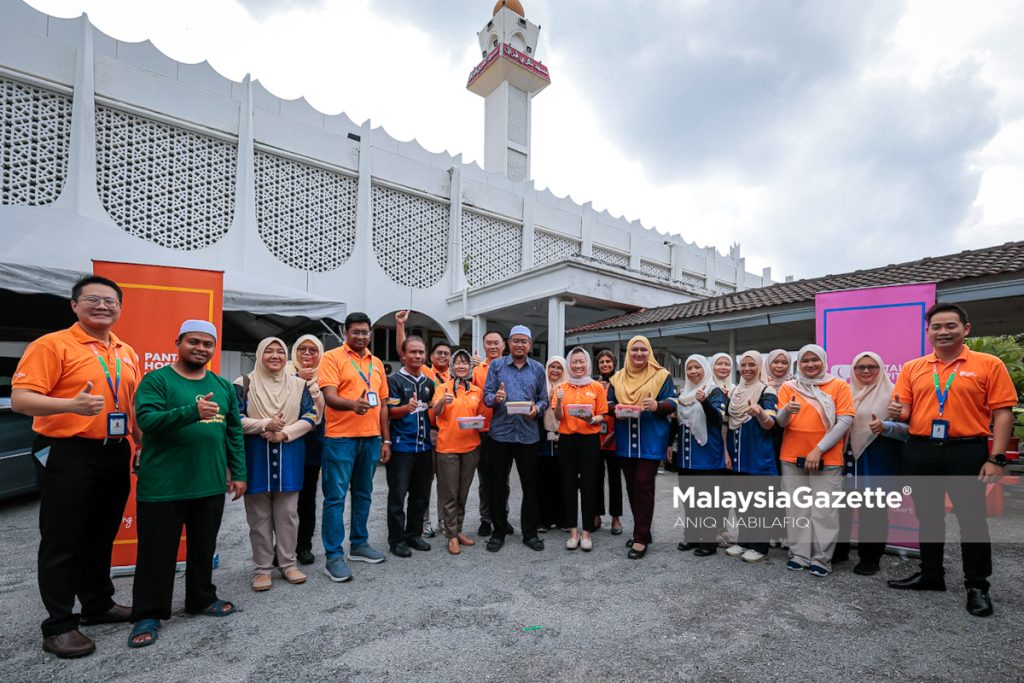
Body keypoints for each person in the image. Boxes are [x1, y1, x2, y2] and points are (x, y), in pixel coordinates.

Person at [11, 275, 142, 658]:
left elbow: (130, 405)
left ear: (120, 307)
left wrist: (140, 444)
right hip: (66, 450)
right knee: (62, 539)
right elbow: (21, 399)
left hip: (113, 450)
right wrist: (70, 405)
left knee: (101, 535)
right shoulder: (52, 345)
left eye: (110, 301)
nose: (102, 306)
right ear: (74, 305)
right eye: (93, 300)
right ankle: (59, 625)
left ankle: (98, 604)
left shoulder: (125, 351)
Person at [887, 303, 1016, 617]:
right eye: (936, 327)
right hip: (920, 449)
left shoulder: (988, 363)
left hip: (966, 450)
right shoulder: (913, 367)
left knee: (972, 520)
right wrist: (896, 412)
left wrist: (997, 457)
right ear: (928, 331)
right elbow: (905, 410)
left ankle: (977, 586)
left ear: (965, 329)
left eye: (950, 326)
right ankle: (931, 575)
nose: (943, 332)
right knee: (928, 516)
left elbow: (1002, 413)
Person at [128, 320, 246, 648]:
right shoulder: (157, 380)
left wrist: (238, 473)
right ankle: (148, 613)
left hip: (208, 483)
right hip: (163, 485)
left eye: (208, 344)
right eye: (194, 341)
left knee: (203, 547)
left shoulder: (222, 386)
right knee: (156, 552)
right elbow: (148, 422)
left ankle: (201, 598)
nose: (201, 348)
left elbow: (233, 432)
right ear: (177, 341)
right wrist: (191, 412)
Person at [236, 337, 320, 591]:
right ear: (259, 355)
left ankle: (288, 563)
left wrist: (284, 433)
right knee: (259, 517)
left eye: (280, 352)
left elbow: (312, 415)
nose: (275, 356)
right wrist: (264, 424)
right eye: (269, 351)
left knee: (288, 514)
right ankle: (262, 569)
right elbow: (234, 418)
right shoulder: (243, 384)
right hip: (256, 455)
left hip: (290, 454)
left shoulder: (299, 384)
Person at [317, 312, 392, 582]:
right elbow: (330, 396)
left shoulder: (377, 363)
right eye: (356, 332)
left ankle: (359, 544)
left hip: (371, 438)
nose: (361, 336)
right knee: (335, 498)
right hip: (340, 438)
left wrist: (385, 440)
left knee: (364, 494)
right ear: (346, 332)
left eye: (365, 332)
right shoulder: (332, 357)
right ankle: (333, 556)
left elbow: (383, 404)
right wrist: (353, 405)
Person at [774, 344, 854, 577]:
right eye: (805, 360)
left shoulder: (838, 385)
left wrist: (818, 450)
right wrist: (787, 410)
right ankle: (799, 555)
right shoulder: (789, 387)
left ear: (823, 361)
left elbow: (845, 421)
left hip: (827, 458)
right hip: (791, 456)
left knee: (824, 510)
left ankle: (821, 558)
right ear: (799, 363)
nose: (810, 364)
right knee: (797, 509)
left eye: (815, 360)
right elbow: (780, 422)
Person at [834, 351, 904, 576]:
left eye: (872, 367)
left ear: (881, 369)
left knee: (872, 511)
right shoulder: (845, 392)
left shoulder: (895, 394)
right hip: (845, 459)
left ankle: (870, 558)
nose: (865, 371)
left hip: (877, 458)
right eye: (860, 367)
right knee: (840, 509)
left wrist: (887, 426)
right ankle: (838, 551)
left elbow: (911, 431)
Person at [608, 335, 676, 559]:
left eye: (643, 350)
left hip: (651, 438)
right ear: (628, 353)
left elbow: (673, 402)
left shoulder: (661, 375)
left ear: (649, 352)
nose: (639, 354)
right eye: (634, 350)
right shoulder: (617, 379)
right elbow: (609, 403)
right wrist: (614, 408)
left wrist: (657, 405)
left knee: (643, 484)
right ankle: (643, 532)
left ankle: (640, 538)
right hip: (626, 440)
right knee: (631, 486)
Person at [482, 325, 548, 552]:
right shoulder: (497, 366)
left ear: (529, 345)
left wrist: (537, 409)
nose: (520, 345)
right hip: (500, 435)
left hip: (528, 436)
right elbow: (486, 397)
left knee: (531, 486)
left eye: (524, 341)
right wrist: (496, 397)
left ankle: (529, 533)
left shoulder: (538, 368)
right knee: (497, 486)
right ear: (508, 343)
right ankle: (498, 531)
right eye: (516, 341)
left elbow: (544, 399)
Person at [394, 309, 451, 537]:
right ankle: (422, 523)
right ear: (431, 357)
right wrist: (400, 325)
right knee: (413, 487)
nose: (443, 357)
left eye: (447, 354)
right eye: (439, 353)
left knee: (433, 485)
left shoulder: (454, 377)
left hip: (443, 436)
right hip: (422, 436)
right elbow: (403, 349)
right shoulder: (426, 373)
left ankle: (441, 524)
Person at [724, 350, 778, 563]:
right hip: (737, 454)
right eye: (743, 365)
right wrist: (727, 452)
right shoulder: (735, 392)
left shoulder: (767, 391)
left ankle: (760, 546)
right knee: (741, 502)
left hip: (758, 455)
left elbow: (771, 424)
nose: (747, 369)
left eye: (752, 365)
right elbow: (727, 423)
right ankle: (744, 540)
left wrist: (760, 413)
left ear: (759, 367)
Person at [385, 336, 436, 557]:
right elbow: (389, 412)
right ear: (403, 355)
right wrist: (406, 408)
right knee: (397, 496)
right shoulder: (394, 381)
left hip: (424, 448)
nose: (417, 356)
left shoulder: (429, 383)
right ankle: (396, 540)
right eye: (412, 352)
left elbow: (432, 411)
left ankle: (414, 534)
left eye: (420, 352)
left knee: (421, 495)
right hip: (401, 448)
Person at [555, 347, 609, 551]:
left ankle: (586, 532)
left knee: (589, 486)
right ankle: (573, 532)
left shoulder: (596, 387)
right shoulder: (561, 387)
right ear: (569, 364)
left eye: (581, 361)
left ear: (587, 364)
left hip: (589, 441)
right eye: (574, 362)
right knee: (568, 485)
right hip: (567, 440)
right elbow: (559, 417)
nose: (577, 365)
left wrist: (592, 418)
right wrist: (559, 400)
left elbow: (602, 415)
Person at [674, 355, 727, 557]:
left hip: (707, 453)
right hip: (687, 453)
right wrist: (672, 444)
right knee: (689, 498)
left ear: (706, 368)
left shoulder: (713, 391)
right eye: (690, 368)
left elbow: (717, 418)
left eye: (698, 367)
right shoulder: (684, 392)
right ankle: (693, 535)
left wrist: (704, 403)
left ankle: (709, 540)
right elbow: (677, 422)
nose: (694, 371)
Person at [432, 349, 485, 555]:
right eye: (458, 363)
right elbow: (434, 412)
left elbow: (479, 418)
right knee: (449, 494)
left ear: (470, 368)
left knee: (463, 493)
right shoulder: (443, 388)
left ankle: (459, 529)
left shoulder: (476, 391)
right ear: (452, 367)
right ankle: (451, 535)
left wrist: (477, 423)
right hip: (447, 448)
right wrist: (441, 402)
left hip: (471, 447)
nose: (461, 366)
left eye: (465, 363)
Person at [290, 334, 326, 565]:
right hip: (286, 444)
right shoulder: (283, 374)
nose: (307, 354)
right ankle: (281, 547)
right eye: (302, 348)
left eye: (313, 350)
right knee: (283, 500)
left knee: (307, 499)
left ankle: (303, 546)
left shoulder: (324, 377)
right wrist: (297, 380)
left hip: (312, 447)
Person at [473, 330, 508, 537]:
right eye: (489, 343)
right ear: (484, 346)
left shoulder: (511, 367)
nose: (493, 347)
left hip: (505, 428)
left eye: (496, 343)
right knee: (485, 479)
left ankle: (502, 517)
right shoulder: (478, 370)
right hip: (483, 430)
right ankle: (486, 519)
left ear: (503, 345)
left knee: (502, 479)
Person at [594, 348, 623, 535]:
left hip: (614, 436)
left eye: (608, 361)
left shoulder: (620, 383)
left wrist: (615, 433)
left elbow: (623, 409)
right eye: (602, 362)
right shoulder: (593, 384)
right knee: (595, 479)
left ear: (614, 363)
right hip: (595, 437)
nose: (605, 365)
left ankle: (616, 518)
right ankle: (596, 514)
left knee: (614, 480)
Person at [537, 356, 566, 532]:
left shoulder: (568, 387)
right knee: (543, 480)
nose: (555, 371)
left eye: (559, 368)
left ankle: (563, 519)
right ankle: (543, 519)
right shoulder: (540, 387)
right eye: (552, 367)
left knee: (562, 480)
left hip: (564, 437)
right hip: (542, 438)